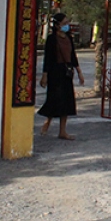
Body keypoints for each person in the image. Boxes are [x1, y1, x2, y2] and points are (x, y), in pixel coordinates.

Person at [39, 12, 83, 140]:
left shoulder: (68, 38)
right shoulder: (52, 39)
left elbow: (73, 56)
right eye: (64, 23)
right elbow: (48, 58)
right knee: (54, 98)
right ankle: (48, 121)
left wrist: (79, 72)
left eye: (67, 23)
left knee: (67, 100)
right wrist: (45, 75)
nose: (67, 25)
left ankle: (62, 131)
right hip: (55, 72)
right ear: (57, 25)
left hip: (66, 71)